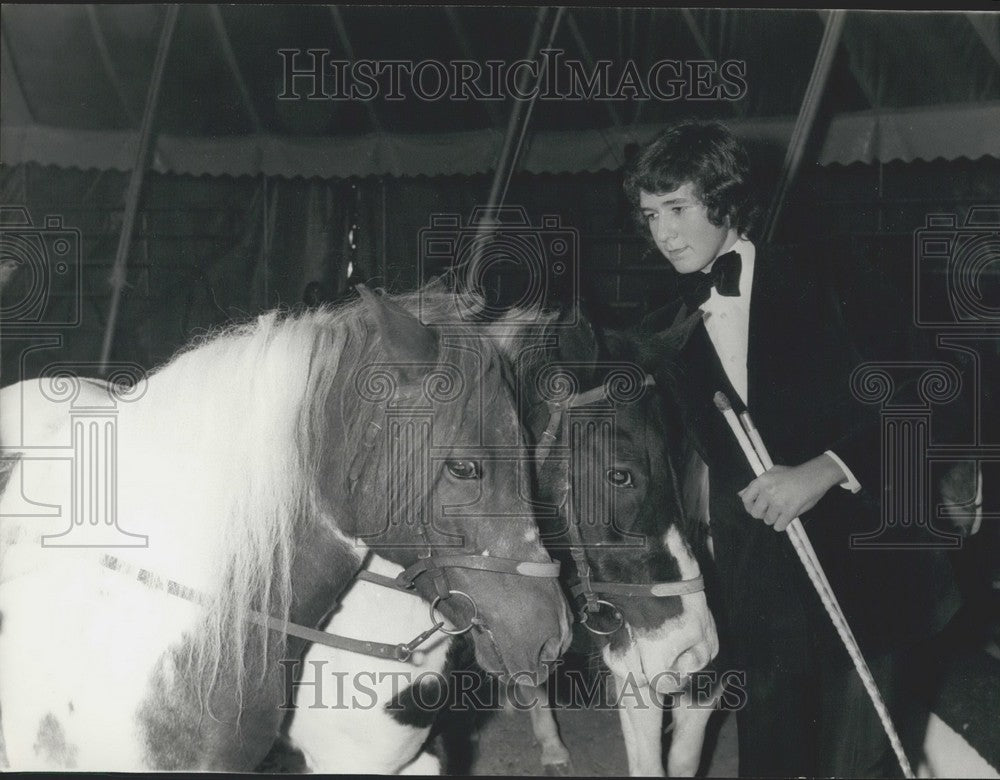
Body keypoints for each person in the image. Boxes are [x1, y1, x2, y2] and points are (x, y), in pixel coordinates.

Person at [626, 119, 963, 777]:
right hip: (757, 593)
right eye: (650, 215)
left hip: (873, 573)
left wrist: (827, 469)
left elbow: (936, 395)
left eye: (677, 208)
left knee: (860, 766)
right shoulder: (662, 329)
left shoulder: (832, 274)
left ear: (724, 201)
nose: (663, 232)